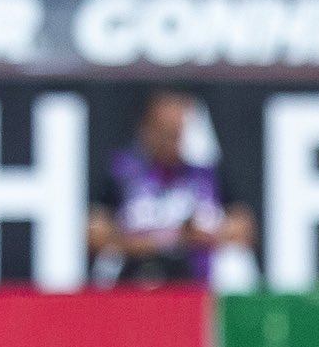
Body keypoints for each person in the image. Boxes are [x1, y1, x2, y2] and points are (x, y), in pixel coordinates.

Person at [88, 90, 254, 287]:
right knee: (106, 264)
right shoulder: (124, 173)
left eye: (179, 131)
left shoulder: (207, 174)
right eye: (166, 131)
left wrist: (206, 233)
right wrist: (168, 238)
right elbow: (94, 232)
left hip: (199, 277)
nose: (174, 140)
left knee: (236, 263)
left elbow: (243, 226)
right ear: (147, 130)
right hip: (137, 275)